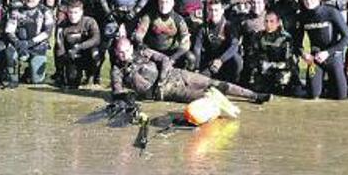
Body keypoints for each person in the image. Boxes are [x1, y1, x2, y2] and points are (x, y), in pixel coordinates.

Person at [111, 37, 269, 104]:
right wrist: (126, 96)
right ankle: (230, 104)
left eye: (125, 51)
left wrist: (161, 79)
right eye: (120, 52)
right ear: (116, 53)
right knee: (206, 95)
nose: (123, 55)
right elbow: (117, 91)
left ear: (131, 48)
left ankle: (254, 95)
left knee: (214, 83)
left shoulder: (143, 52)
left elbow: (165, 59)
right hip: (168, 91)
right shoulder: (117, 70)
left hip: (176, 74)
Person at [295, 0, 348, 99]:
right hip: (315, 59)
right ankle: (321, 84)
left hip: (333, 56)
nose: (308, 1)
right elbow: (297, 42)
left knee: (341, 96)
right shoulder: (302, 16)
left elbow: (347, 37)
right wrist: (304, 54)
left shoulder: (331, 12)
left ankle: (335, 82)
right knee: (313, 94)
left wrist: (328, 52)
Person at [3, 0, 55, 88]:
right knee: (9, 51)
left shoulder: (46, 11)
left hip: (38, 46)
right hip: (18, 44)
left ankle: (29, 72)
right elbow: (9, 30)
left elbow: (47, 32)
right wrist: (17, 42)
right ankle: (13, 78)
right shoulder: (16, 11)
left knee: (37, 81)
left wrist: (30, 43)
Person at [134, 0, 191, 69]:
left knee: (190, 58)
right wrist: (140, 43)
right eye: (161, 2)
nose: (164, 5)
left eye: (167, 2)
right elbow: (139, 34)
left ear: (172, 3)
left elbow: (186, 44)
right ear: (158, 3)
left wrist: (173, 58)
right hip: (153, 52)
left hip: (172, 53)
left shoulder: (179, 20)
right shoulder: (149, 17)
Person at [246, 10, 296, 95]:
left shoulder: (286, 38)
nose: (268, 24)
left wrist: (272, 65)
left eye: (272, 21)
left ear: (278, 23)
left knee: (283, 82)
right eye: (266, 21)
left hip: (280, 70)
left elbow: (289, 62)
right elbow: (251, 55)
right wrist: (260, 63)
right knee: (255, 85)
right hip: (263, 69)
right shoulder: (258, 36)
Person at [54, 0, 100, 88]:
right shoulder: (62, 26)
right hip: (71, 56)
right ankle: (62, 74)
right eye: (70, 12)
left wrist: (79, 47)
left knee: (96, 52)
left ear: (81, 12)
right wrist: (64, 61)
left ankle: (91, 76)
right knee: (72, 83)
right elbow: (60, 47)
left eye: (76, 13)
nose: (73, 16)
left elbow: (96, 39)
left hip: (87, 55)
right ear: (67, 12)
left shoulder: (90, 22)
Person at [193, 0, 243, 82]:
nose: (213, 13)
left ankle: (234, 83)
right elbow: (197, 48)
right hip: (210, 61)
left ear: (222, 11)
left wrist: (221, 60)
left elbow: (234, 46)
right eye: (211, 10)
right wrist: (196, 68)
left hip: (225, 60)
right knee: (200, 81)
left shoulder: (229, 26)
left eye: (216, 10)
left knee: (237, 59)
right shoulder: (203, 28)